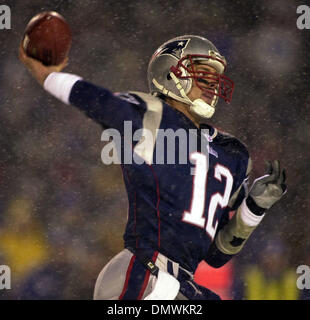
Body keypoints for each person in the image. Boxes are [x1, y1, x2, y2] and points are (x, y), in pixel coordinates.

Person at [19, 35, 287, 300]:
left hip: (183, 284)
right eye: (202, 73)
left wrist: (253, 210)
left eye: (215, 77)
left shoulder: (232, 153)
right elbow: (101, 103)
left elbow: (216, 256)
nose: (212, 84)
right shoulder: (156, 118)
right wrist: (50, 76)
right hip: (145, 273)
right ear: (170, 74)